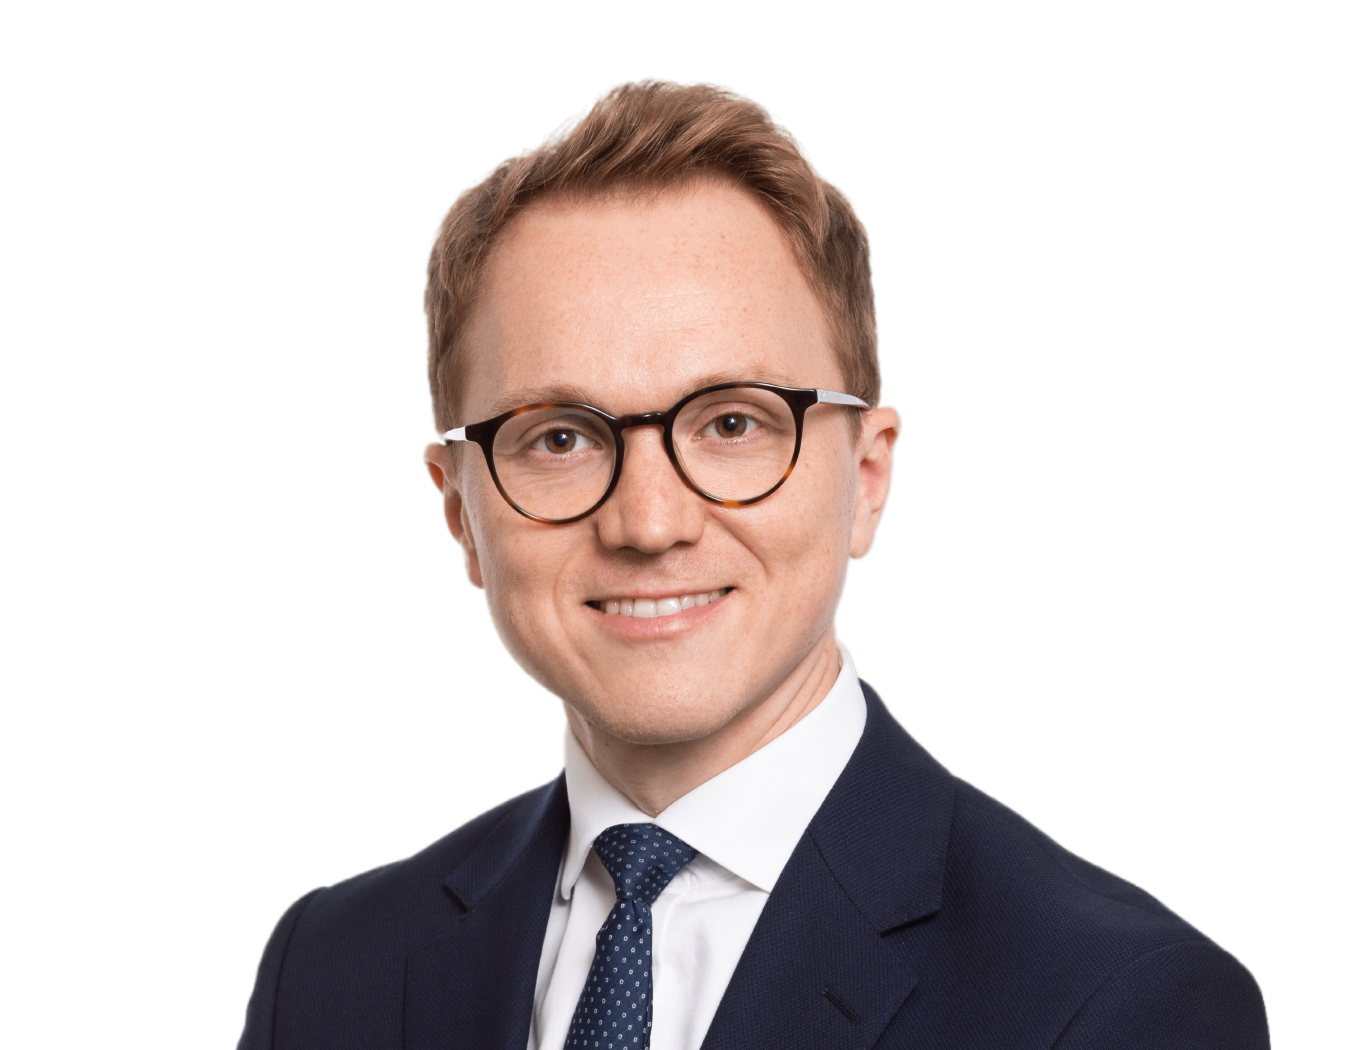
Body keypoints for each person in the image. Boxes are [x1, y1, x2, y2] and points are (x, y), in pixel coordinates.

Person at [236, 80, 1270, 1050]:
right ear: (460, 511)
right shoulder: (326, 968)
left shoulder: (1115, 999)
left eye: (732, 422)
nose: (649, 522)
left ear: (866, 478)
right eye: (559, 437)